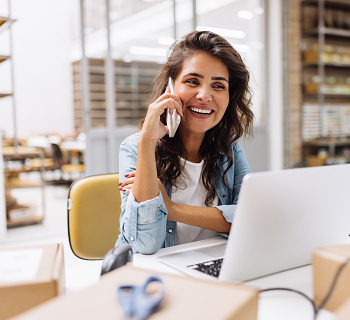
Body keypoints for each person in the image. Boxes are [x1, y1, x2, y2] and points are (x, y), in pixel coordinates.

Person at [116, 30, 254, 254]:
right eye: (192, 81)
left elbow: (249, 219)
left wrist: (170, 208)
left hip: (211, 265)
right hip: (156, 274)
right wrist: (146, 142)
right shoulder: (135, 147)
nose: (204, 95)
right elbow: (144, 244)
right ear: (169, 89)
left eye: (218, 86)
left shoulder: (227, 148)